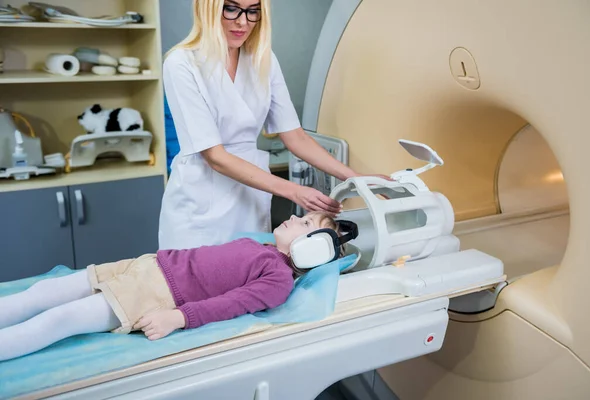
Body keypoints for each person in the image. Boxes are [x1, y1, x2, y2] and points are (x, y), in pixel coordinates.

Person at [159, 0, 390, 250]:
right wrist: (294, 191)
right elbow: (215, 156)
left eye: (253, 11)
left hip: (251, 195)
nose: (243, 21)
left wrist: (359, 180)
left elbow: (295, 138)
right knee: (195, 281)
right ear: (208, 7)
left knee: (249, 272)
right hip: (201, 199)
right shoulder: (181, 63)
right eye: (231, 8)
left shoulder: (262, 59)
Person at [0, 212, 349, 362]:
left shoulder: (276, 280)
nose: (293, 218)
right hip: (145, 266)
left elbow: (231, 304)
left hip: (154, 293)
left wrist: (179, 318)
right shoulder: (264, 248)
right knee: (41, 294)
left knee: (58, 320)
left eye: (304, 223)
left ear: (313, 249)